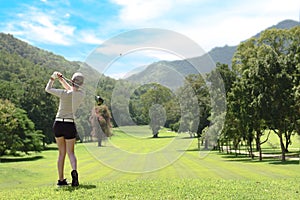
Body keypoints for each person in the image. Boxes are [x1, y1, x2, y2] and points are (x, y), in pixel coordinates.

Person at [45, 71, 84, 187]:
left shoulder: (63, 93)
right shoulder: (81, 94)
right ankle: (74, 172)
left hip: (58, 124)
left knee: (61, 153)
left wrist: (53, 78)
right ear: (81, 84)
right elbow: (71, 90)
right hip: (69, 124)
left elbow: (48, 89)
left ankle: (61, 180)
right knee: (70, 153)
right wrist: (62, 80)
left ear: (72, 81)